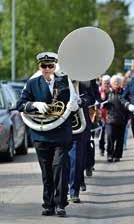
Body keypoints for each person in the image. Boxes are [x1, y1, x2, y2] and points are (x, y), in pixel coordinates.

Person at [16, 52, 78, 217]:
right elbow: (20, 104)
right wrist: (34, 104)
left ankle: (60, 204)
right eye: (44, 66)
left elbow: (77, 101)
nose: (47, 69)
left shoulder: (65, 82)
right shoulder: (32, 83)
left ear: (55, 66)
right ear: (39, 67)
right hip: (41, 135)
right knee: (46, 171)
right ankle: (48, 204)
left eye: (51, 66)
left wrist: (75, 105)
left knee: (59, 168)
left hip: (61, 134)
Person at [68, 80, 96, 203]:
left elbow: (91, 98)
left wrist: (81, 101)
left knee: (76, 159)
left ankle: (74, 191)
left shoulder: (84, 82)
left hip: (80, 125)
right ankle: (63, 189)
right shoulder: (58, 79)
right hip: (62, 125)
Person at [103, 75, 129, 162]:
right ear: (111, 84)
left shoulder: (124, 93)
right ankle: (109, 155)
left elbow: (128, 105)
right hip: (110, 119)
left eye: (118, 82)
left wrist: (128, 117)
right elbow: (102, 104)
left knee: (120, 139)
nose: (116, 84)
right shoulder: (107, 93)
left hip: (122, 119)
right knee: (110, 137)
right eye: (114, 82)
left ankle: (117, 155)